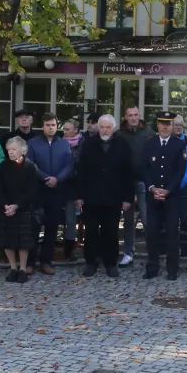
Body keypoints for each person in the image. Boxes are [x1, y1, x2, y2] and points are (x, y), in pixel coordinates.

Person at [75, 115, 133, 278]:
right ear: (98, 128)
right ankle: (91, 263)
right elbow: (81, 170)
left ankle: (110, 263)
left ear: (114, 129)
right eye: (102, 127)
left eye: (108, 127)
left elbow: (129, 173)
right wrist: (78, 195)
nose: (105, 130)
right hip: (91, 196)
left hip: (113, 196)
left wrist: (128, 198)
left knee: (111, 231)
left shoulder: (122, 144)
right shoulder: (89, 144)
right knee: (91, 231)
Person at [140, 112, 187, 280]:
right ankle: (152, 267)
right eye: (162, 123)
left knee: (171, 233)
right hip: (152, 195)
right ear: (158, 125)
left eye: (168, 124)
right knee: (152, 232)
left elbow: (180, 171)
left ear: (172, 125)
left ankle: (172, 269)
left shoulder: (179, 144)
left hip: (172, 196)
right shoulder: (149, 143)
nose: (165, 127)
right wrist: (152, 188)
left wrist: (168, 190)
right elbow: (144, 168)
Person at [27, 114, 74, 274]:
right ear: (42, 126)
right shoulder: (32, 143)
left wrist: (57, 179)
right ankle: (30, 262)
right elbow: (30, 164)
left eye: (53, 125)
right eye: (48, 125)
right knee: (34, 227)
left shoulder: (64, 144)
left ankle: (46, 261)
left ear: (57, 126)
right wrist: (45, 177)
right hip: (38, 190)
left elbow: (69, 165)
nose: (51, 127)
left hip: (56, 191)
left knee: (52, 227)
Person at [0, 136, 39, 283]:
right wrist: (5, 205)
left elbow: (32, 190)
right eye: (8, 149)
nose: (10, 152)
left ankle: (23, 269)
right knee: (7, 239)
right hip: (6, 208)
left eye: (14, 149)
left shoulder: (30, 167)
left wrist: (17, 205)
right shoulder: (3, 166)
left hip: (23, 208)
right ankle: (13, 268)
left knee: (23, 241)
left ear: (23, 150)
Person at [117, 106, 155, 266]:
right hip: (126, 182)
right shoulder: (119, 134)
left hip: (144, 182)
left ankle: (152, 253)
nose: (133, 118)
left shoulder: (149, 134)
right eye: (130, 115)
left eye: (136, 115)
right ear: (125, 117)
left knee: (147, 219)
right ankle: (128, 252)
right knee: (128, 221)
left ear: (140, 116)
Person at [61, 118, 84, 259]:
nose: (64, 132)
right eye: (64, 129)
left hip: (75, 185)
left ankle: (69, 250)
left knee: (71, 220)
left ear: (76, 130)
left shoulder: (83, 144)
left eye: (67, 129)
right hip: (60, 183)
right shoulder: (59, 143)